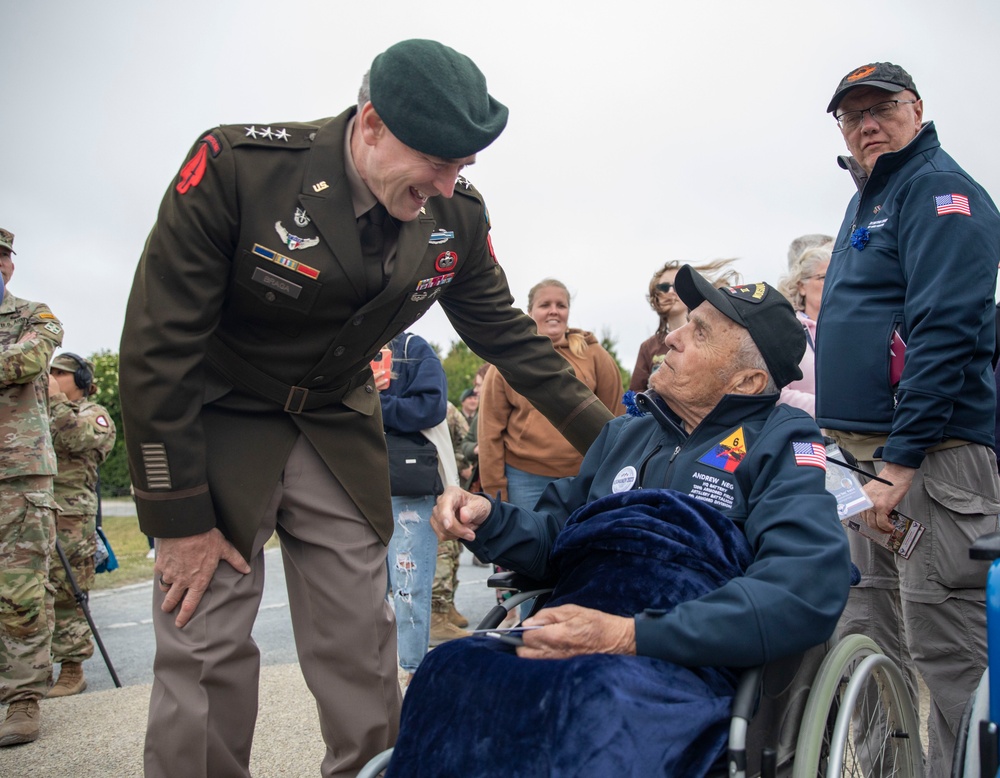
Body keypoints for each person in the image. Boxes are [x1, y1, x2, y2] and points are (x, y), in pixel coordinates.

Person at [118, 39, 614, 778]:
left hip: (333, 424)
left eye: (462, 168)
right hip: (221, 415)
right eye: (436, 161)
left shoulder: (455, 217)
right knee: (206, 636)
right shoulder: (238, 169)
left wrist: (626, 445)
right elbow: (157, 351)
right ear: (373, 125)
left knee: (359, 635)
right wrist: (179, 517)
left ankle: (375, 771)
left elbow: (514, 343)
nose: (446, 184)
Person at [385, 266, 851, 776]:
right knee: (448, 670)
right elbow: (554, 538)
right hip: (573, 626)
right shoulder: (625, 435)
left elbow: (803, 585)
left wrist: (629, 635)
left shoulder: (783, 442)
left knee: (596, 709)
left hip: (676, 656)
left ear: (748, 380)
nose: (670, 338)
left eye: (699, 333)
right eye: (684, 323)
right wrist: (490, 517)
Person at [817, 61, 1000, 775]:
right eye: (850, 114)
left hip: (929, 462)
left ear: (915, 109)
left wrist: (899, 462)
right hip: (863, 464)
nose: (866, 123)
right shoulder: (871, 197)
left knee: (948, 654)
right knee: (871, 642)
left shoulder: (941, 192)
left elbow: (946, 332)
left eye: (880, 107)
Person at [478, 278, 625, 507]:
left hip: (583, 477)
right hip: (524, 478)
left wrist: (610, 478)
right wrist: (496, 494)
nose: (553, 311)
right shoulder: (508, 359)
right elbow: (489, 432)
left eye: (561, 305)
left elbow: (617, 419)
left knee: (578, 544)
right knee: (527, 543)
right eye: (545, 305)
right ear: (529, 311)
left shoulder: (595, 355)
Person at [0, 227, 63, 747]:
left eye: (2, 256)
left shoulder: (33, 317)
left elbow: (25, 361)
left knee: (18, 591)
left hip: (16, 474)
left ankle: (22, 699)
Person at [378, 331, 463, 680]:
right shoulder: (338, 342)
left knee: (409, 585)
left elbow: (432, 406)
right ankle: (375, 675)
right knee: (362, 589)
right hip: (346, 483)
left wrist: (371, 406)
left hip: (405, 484)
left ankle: (413, 675)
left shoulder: (412, 348)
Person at [45, 352, 116, 697]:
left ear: (83, 380)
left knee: (67, 591)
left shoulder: (95, 415)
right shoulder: (35, 413)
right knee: (24, 594)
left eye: (60, 372)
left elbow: (74, 438)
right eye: (50, 371)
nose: (53, 376)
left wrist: (54, 398)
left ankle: (72, 669)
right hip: (31, 513)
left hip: (71, 518)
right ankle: (28, 673)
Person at [628, 259, 739, 392]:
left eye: (676, 286)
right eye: (663, 287)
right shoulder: (648, 347)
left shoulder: (711, 339)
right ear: (655, 297)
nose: (670, 291)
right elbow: (635, 396)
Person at [776, 243, 831, 417]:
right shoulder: (786, 330)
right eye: (823, 277)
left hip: (854, 437)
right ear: (801, 286)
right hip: (807, 437)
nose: (832, 283)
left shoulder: (852, 330)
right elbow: (775, 394)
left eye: (836, 276)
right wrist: (831, 407)